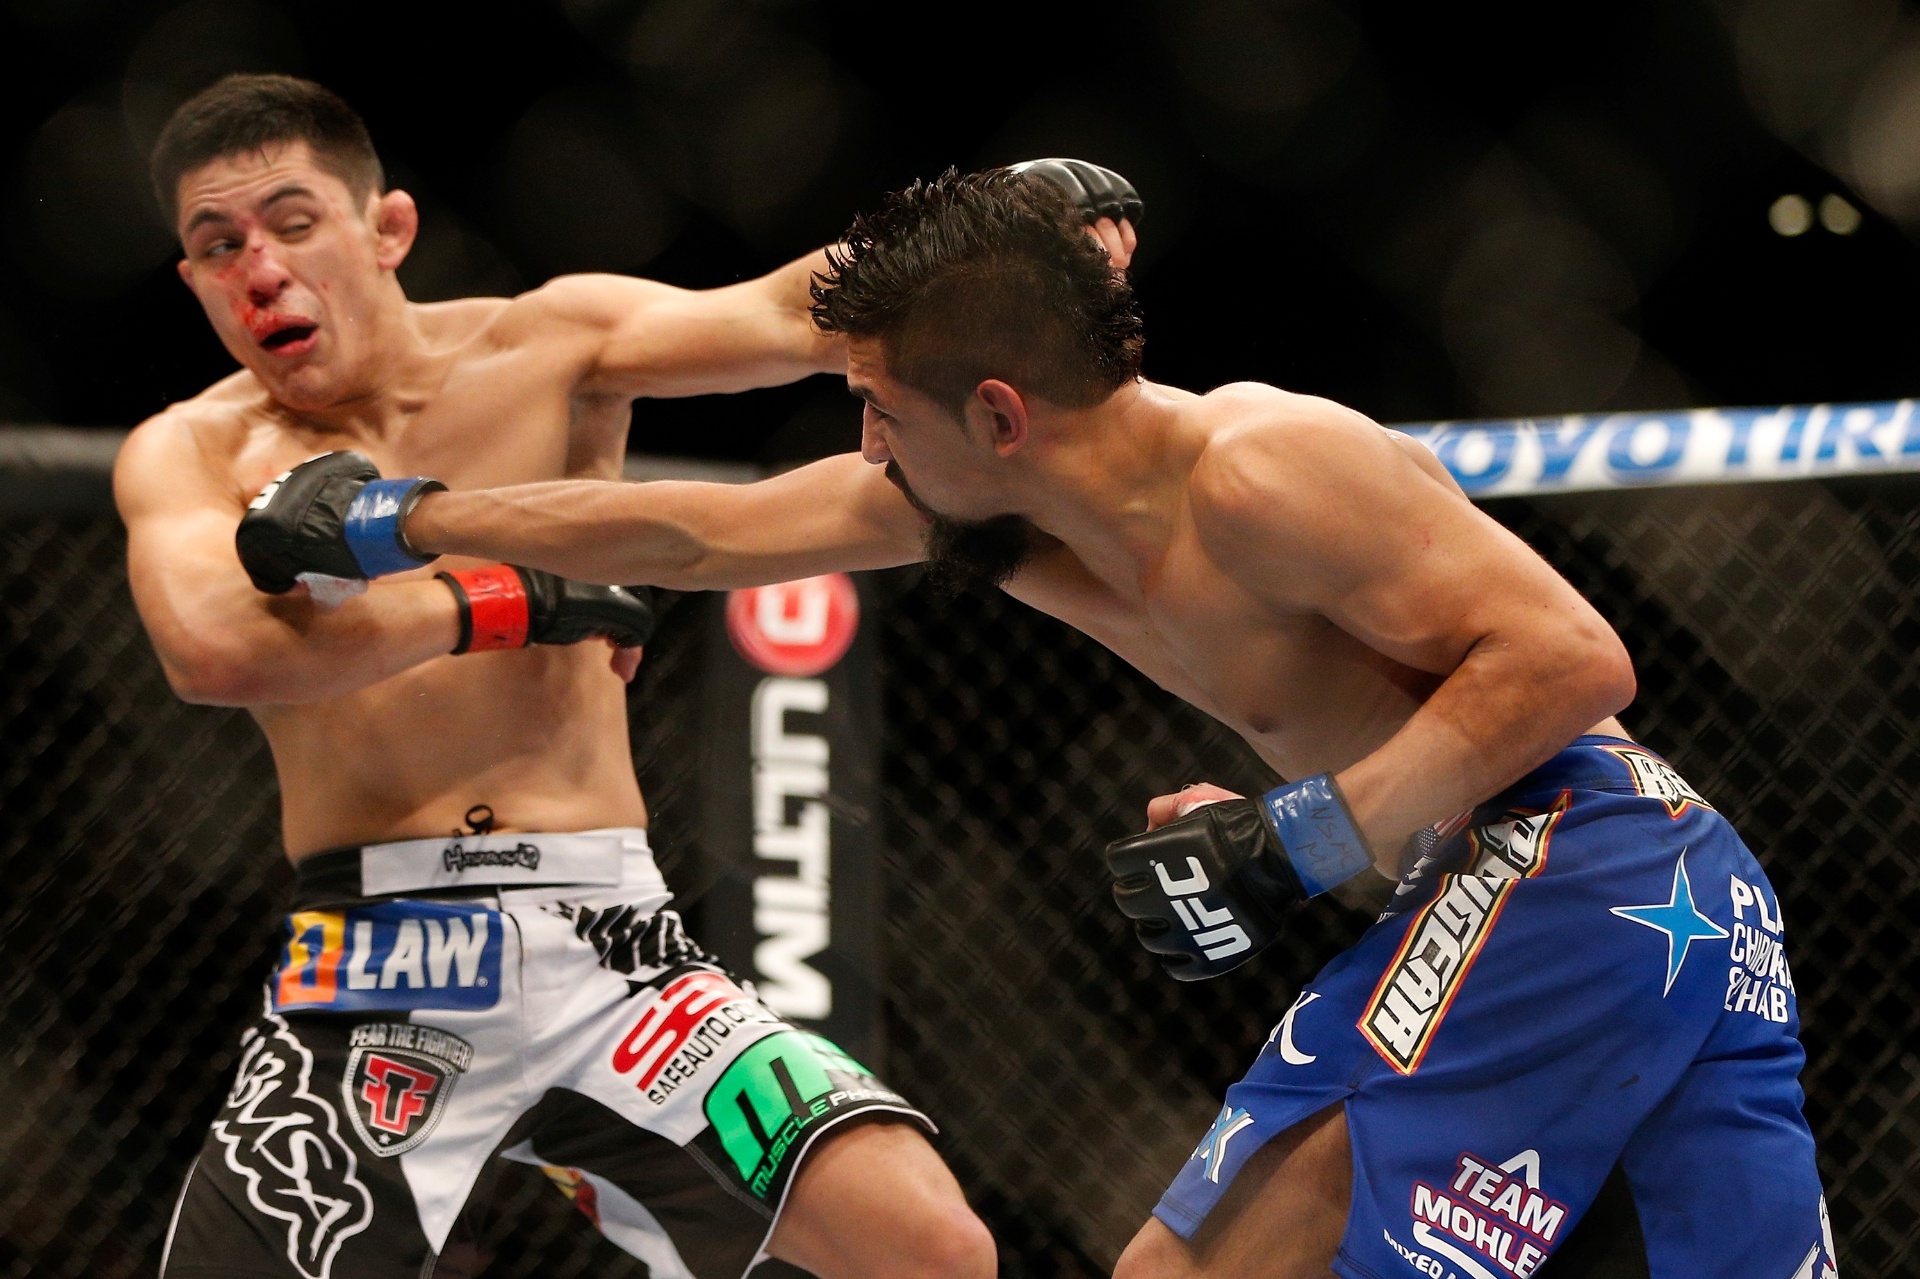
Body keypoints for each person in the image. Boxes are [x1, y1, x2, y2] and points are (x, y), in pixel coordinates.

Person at [246, 166, 1839, 1278]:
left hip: (1580, 859)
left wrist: (1308, 831)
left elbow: (1573, 660)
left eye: (879, 404)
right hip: (1623, 899)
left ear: (997, 415)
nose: (861, 435)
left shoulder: (1268, 467)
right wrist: (412, 516)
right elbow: (693, 535)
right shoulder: (1000, 519)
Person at [121, 71, 1134, 1279]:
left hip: (608, 940)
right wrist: (509, 598)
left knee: (925, 1244)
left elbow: (789, 315)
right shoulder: (193, 449)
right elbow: (214, 650)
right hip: (376, 954)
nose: (260, 269)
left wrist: (977, 241)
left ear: (386, 229)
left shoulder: (549, 343)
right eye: (217, 245)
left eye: (292, 224)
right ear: (193, 281)